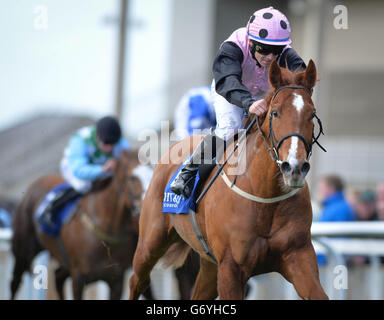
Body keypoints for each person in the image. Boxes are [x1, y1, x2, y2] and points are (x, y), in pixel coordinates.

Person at [171, 6, 306, 198]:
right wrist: (247, 102)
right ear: (251, 42)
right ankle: (188, 172)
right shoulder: (232, 47)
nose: (270, 57)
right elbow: (227, 79)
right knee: (230, 127)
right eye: (264, 49)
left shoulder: (284, 51)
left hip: (262, 94)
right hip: (229, 90)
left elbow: (301, 73)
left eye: (276, 51)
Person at [42, 116, 131, 225]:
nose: (110, 148)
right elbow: (78, 170)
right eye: (106, 143)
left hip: (100, 167)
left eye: (113, 143)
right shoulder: (80, 140)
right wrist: (102, 169)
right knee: (84, 185)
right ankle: (51, 207)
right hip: (73, 168)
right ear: (97, 137)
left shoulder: (122, 143)